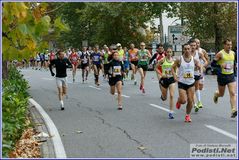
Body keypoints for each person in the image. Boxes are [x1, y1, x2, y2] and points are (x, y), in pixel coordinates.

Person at [171, 43, 201, 122]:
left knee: (190, 100)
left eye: (188, 49)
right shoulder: (179, 59)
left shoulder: (194, 60)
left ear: (191, 49)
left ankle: (187, 115)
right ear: (183, 50)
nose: (187, 50)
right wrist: (174, 76)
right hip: (182, 83)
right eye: (185, 49)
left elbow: (200, 66)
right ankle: (179, 100)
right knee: (183, 100)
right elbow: (172, 68)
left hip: (191, 83)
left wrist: (200, 70)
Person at [212, 39, 237, 118]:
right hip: (222, 76)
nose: (229, 46)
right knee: (221, 94)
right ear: (224, 45)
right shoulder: (220, 54)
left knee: (232, 93)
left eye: (230, 45)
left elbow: (234, 62)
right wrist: (220, 65)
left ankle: (233, 110)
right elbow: (212, 64)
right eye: (228, 45)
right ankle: (216, 94)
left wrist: (235, 69)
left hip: (231, 75)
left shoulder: (233, 53)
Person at [155, 47, 175, 119]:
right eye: (168, 52)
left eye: (170, 52)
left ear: (172, 52)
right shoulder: (162, 60)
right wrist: (161, 74)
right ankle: (162, 95)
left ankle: (171, 112)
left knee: (172, 95)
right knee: (164, 98)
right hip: (164, 79)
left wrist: (176, 75)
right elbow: (156, 68)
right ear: (165, 52)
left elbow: (178, 69)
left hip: (171, 79)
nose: (169, 53)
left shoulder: (174, 60)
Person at [189, 40, 207, 112]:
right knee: (192, 89)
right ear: (189, 46)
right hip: (189, 74)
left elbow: (206, 61)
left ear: (196, 46)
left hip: (196, 73)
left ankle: (199, 102)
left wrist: (201, 67)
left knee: (197, 88)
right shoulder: (187, 53)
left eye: (194, 45)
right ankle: (195, 104)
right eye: (191, 45)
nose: (193, 47)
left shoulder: (199, 53)